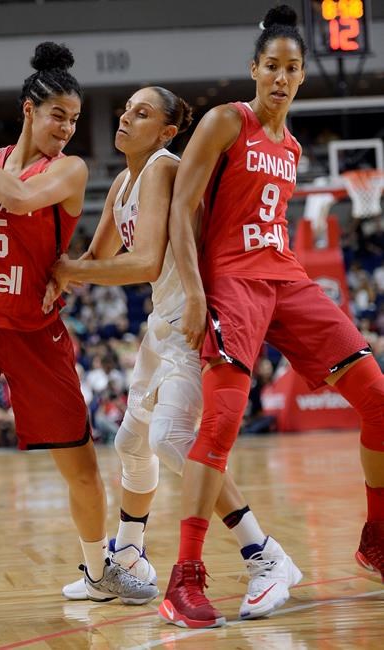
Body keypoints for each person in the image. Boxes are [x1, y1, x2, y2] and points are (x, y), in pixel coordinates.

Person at [0, 42, 157, 634]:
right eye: (58, 116)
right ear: (29, 109)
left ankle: (99, 569)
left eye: (74, 119)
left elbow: (21, 198)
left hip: (34, 329)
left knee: (81, 468)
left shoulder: (65, 171)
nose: (67, 129)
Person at [159, 4, 384, 629]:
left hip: (286, 277)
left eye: (291, 68)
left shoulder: (291, 144)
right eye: (270, 67)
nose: (280, 78)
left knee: (377, 398)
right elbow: (181, 210)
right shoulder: (226, 122)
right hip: (232, 281)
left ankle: (376, 538)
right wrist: (199, 292)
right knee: (222, 424)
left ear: (303, 76)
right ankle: (185, 579)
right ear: (253, 69)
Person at [43, 85, 301, 620]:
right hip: (161, 320)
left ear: (164, 132)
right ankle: (131, 558)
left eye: (141, 113)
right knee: (131, 442)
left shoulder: (162, 167)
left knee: (171, 439)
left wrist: (72, 270)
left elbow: (140, 263)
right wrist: (56, 277)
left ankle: (266, 554)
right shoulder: (122, 181)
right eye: (124, 110)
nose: (125, 118)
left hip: (192, 316)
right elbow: (98, 256)